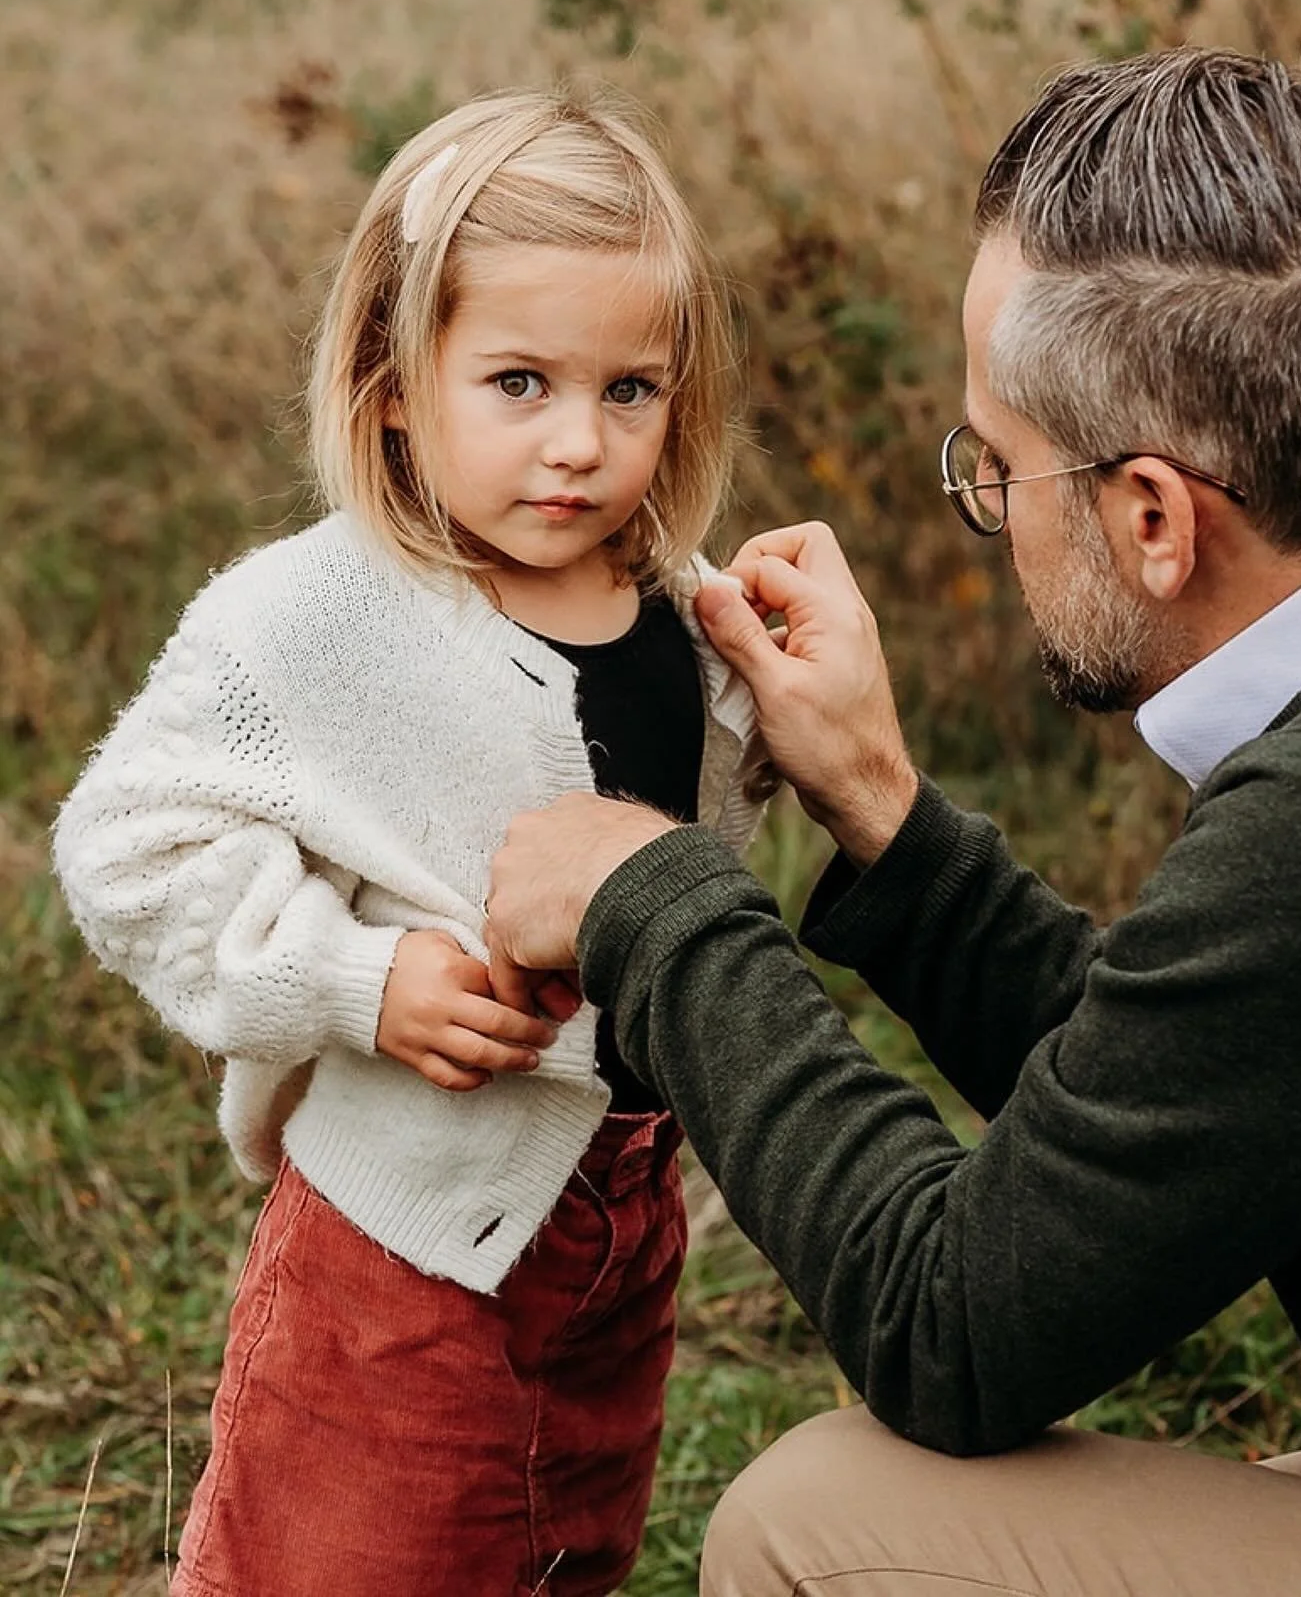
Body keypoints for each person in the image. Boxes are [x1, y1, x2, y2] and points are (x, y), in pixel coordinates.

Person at [483, 50, 1301, 1595]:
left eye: (993, 466)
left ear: (1151, 518)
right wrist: (887, 814)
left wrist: (660, 913)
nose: (986, 503)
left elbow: (953, 1324)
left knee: (820, 1530)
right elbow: (1203, 1084)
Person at [52, 87, 770, 1596]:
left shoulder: (679, 614)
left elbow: (711, 833)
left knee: (561, 1551)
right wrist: (355, 978)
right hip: (399, 1252)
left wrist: (781, 703)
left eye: (629, 390)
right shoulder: (316, 616)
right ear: (392, 379)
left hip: (620, 1229)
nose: (580, 444)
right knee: (340, 1557)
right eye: (519, 382)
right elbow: (124, 843)